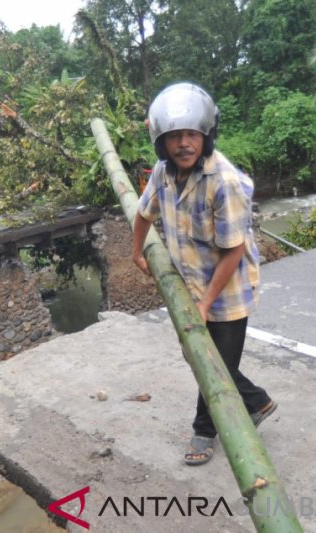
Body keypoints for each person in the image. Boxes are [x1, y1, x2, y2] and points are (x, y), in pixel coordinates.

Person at [131, 82, 277, 466]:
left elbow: (233, 251)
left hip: (228, 293)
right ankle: (258, 402)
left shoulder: (224, 182)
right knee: (203, 356)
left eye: (191, 134)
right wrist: (135, 253)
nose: (183, 143)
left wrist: (205, 304)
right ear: (162, 143)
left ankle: (204, 431)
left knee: (211, 364)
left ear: (206, 136)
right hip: (192, 283)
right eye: (174, 136)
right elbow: (143, 212)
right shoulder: (163, 173)